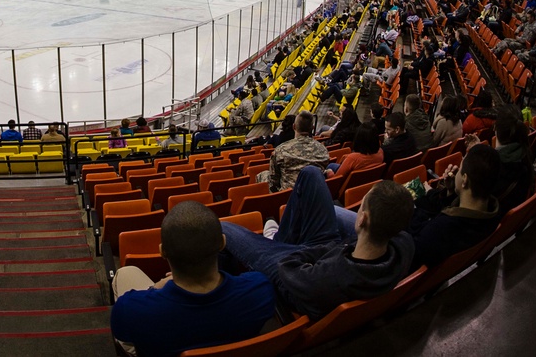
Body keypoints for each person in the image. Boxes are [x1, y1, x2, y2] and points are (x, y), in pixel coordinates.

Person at [221, 167, 413, 321]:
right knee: (311, 173)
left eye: (363, 204)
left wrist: (310, 251)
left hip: (294, 272)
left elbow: (286, 267)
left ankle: (274, 241)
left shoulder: (326, 280)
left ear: (362, 219)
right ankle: (278, 239)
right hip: (331, 253)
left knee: (222, 227)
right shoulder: (404, 244)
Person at [110, 202, 275, 357]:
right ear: (222, 243)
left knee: (125, 273)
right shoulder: (260, 290)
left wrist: (156, 288)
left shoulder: (130, 310)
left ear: (162, 251)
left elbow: (120, 329)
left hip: (155, 329)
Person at [406, 144, 502, 268]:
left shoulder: (439, 230)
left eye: (461, 168)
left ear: (465, 180)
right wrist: (450, 192)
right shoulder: (494, 214)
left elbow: (415, 248)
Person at [260, 112, 329, 192]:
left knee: (262, 175)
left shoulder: (281, 150)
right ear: (313, 128)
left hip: (288, 195)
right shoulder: (323, 150)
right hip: (313, 192)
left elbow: (274, 179)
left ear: (294, 126)